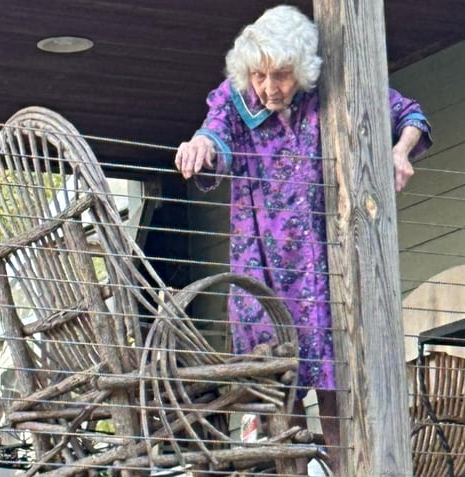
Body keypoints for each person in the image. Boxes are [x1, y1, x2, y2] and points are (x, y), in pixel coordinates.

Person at [174, 4, 431, 472]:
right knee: (281, 395)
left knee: (339, 395)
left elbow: (409, 114)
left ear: (304, 71)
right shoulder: (236, 100)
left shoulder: (334, 89)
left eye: (281, 75)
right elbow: (214, 134)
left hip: (328, 271)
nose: (269, 88)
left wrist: (398, 151)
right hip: (264, 272)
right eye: (259, 75)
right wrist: (201, 145)